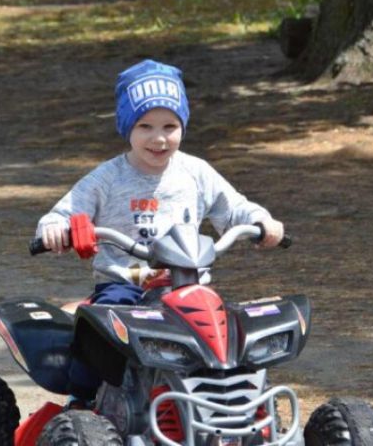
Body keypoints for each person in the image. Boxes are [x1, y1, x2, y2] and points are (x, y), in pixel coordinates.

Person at [36, 59, 284, 404]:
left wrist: (262, 222)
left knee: (230, 337)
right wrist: (56, 229)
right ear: (127, 127)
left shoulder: (196, 172)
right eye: (145, 126)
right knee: (101, 331)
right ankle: (84, 402)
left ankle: (239, 404)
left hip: (188, 286)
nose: (159, 138)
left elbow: (235, 208)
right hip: (125, 286)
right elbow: (63, 213)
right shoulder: (107, 178)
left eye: (170, 126)